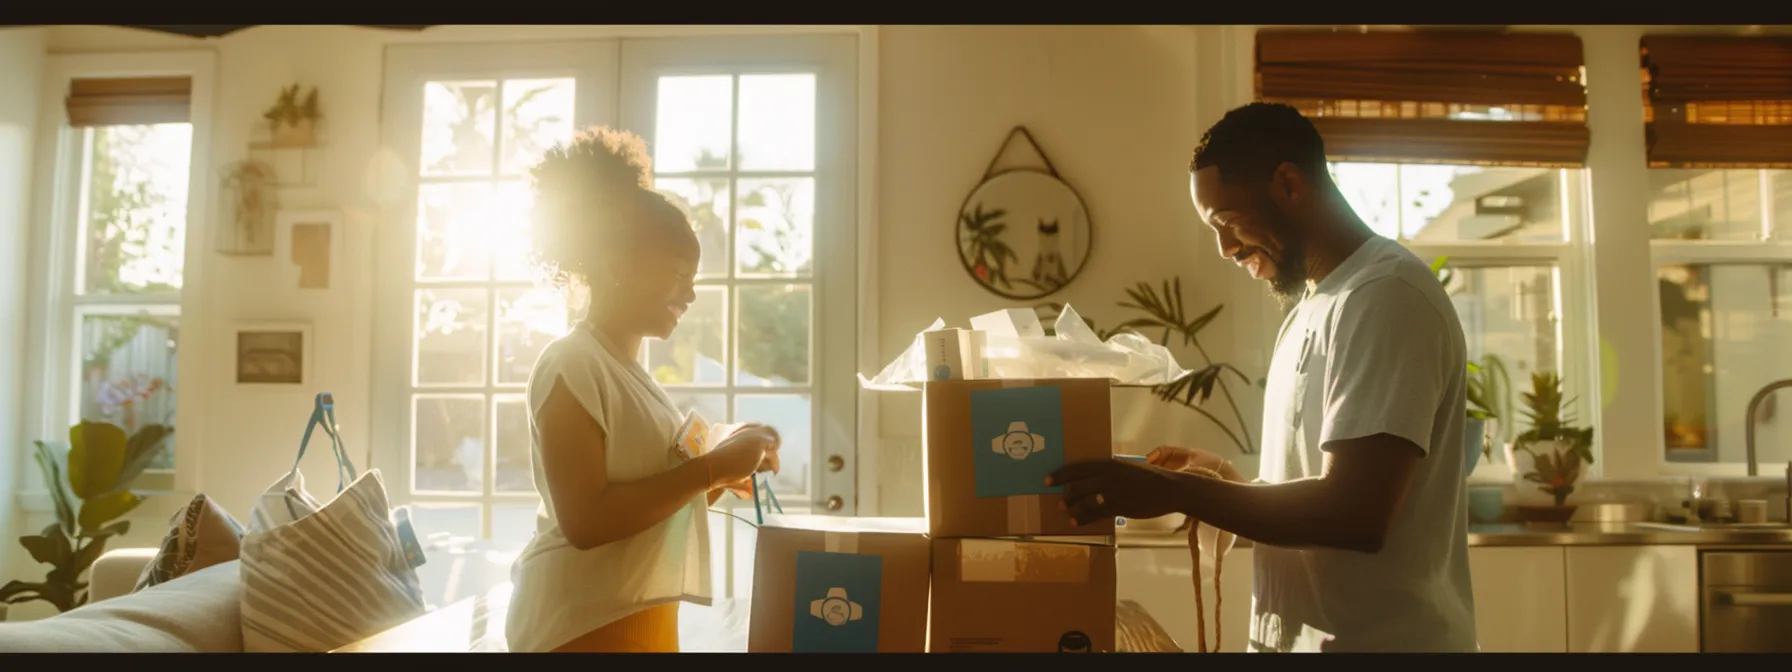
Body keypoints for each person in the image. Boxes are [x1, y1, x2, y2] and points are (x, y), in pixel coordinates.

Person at [1048, 102, 1476, 653]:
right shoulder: (1312, 306)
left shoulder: (1386, 297)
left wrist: (1177, 491)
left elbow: (1355, 513)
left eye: (1226, 222)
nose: (1225, 249)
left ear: (1288, 185)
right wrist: (1229, 483)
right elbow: (1320, 496)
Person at [504, 127, 783, 653]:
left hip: (637, 625)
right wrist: (711, 469)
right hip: (577, 628)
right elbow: (587, 520)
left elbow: (652, 504)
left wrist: (728, 464)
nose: (691, 293)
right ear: (617, 267)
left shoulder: (633, 377)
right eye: (678, 274)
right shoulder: (571, 364)